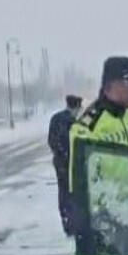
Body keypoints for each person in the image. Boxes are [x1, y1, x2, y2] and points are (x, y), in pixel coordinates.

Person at [69, 56, 128, 255]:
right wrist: (102, 222)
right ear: (112, 86)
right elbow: (82, 187)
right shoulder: (88, 127)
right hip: (106, 227)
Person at [48, 94, 83, 235]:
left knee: (63, 193)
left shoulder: (55, 118)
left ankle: (67, 223)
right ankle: (74, 223)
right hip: (72, 163)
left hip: (60, 163)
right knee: (73, 194)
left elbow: (51, 140)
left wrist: (59, 154)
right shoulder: (74, 123)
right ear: (76, 107)